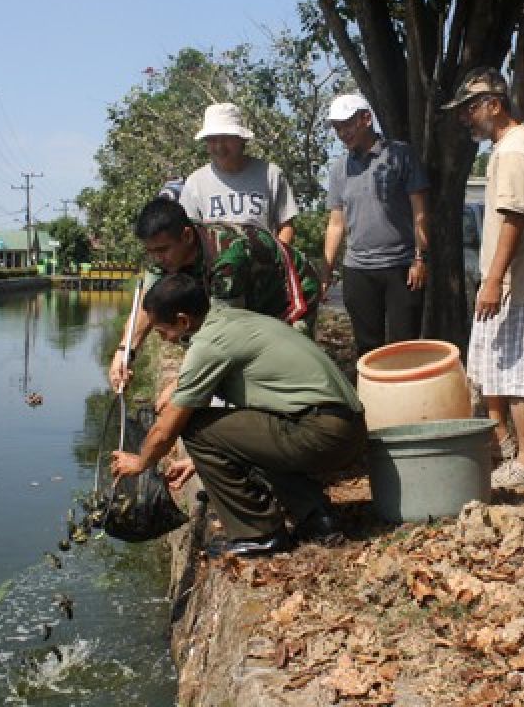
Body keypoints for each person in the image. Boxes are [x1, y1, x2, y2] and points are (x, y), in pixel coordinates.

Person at [109, 273, 367, 557]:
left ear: (183, 321)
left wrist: (140, 462)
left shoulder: (210, 344)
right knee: (241, 430)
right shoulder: (229, 318)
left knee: (194, 425)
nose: (166, 340)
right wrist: (197, 461)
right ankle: (316, 517)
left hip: (322, 433)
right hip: (345, 428)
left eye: (162, 332)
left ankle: (258, 533)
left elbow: (168, 426)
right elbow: (252, 424)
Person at [444, 67, 524, 488]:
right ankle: (504, 445)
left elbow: (514, 217)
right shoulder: (509, 146)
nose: (465, 118)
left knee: (514, 368)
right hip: (504, 278)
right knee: (490, 364)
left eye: (470, 109)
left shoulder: (513, 151)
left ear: (494, 105)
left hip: (511, 280)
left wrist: (494, 280)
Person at [108, 196, 321, 391]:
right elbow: (149, 306)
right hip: (242, 293)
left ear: (187, 236)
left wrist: (180, 385)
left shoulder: (227, 259)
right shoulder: (165, 251)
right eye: (150, 251)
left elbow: (222, 335)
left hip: (289, 293)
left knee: (283, 368)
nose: (156, 259)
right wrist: (125, 352)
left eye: (162, 251)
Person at [323, 93, 431, 358]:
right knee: (367, 349)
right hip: (358, 270)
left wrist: (420, 259)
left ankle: (405, 400)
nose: (342, 133)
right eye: (337, 128)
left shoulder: (400, 155)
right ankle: (372, 400)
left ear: (366, 119)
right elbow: (336, 223)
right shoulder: (339, 169)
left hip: (401, 267)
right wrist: (325, 269)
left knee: (404, 349)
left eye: (347, 125)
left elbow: (420, 210)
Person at [179, 102, 298, 245]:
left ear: (241, 139)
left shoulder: (271, 175)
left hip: (264, 262)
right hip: (215, 265)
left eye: (226, 138)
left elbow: (286, 226)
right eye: (212, 139)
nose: (219, 146)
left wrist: (276, 258)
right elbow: (187, 236)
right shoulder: (195, 183)